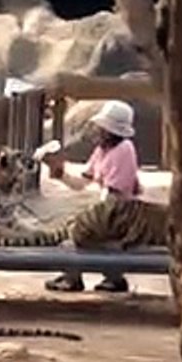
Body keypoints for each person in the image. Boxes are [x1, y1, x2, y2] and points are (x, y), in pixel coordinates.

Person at [41, 100, 143, 293]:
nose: (97, 130)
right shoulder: (101, 150)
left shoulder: (124, 149)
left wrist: (90, 216)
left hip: (121, 211)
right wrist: (60, 173)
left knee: (77, 232)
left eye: (102, 127)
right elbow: (81, 184)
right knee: (80, 229)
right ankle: (105, 277)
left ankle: (75, 277)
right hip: (108, 208)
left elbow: (115, 195)